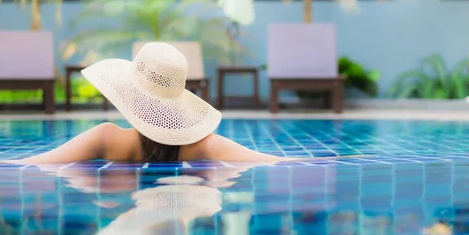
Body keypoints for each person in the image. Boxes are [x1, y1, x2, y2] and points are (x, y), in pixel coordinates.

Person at [17, 42, 291, 165]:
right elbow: (271, 161)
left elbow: (37, 163)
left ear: (130, 96)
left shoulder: (106, 138)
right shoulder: (201, 146)